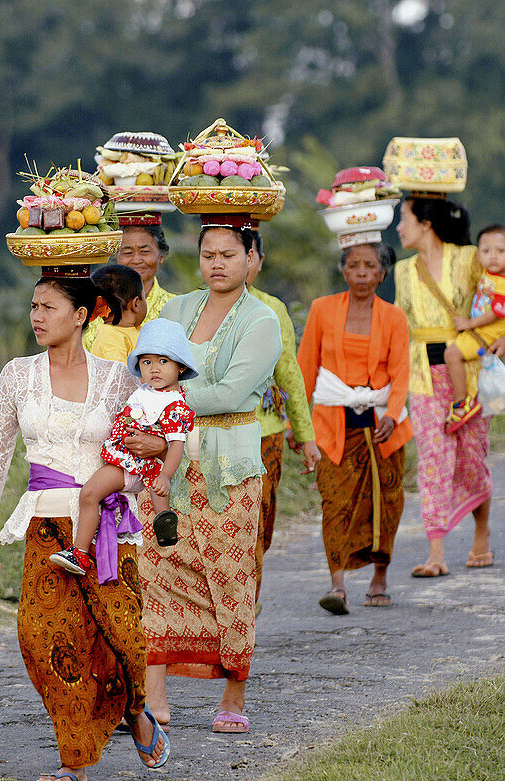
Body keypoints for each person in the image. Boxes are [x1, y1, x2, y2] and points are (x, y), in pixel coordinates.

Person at [0, 270, 169, 781]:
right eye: (33, 305)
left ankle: (135, 712)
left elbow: (153, 447)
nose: (36, 316)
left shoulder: (120, 379)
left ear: (81, 315)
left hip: (107, 526)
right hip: (45, 528)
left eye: (48, 307)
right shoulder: (17, 375)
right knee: (43, 638)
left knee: (121, 636)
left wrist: (145, 466)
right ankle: (74, 760)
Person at [138, 217, 281, 735]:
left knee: (229, 576)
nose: (217, 263)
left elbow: (228, 394)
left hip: (228, 467)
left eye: (228, 254)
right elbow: (147, 368)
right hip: (167, 463)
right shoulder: (176, 309)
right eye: (208, 254)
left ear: (250, 259)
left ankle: (234, 692)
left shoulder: (262, 320)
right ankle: (155, 696)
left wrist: (163, 404)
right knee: (157, 568)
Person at [394, 196, 505, 576]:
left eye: (405, 219)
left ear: (426, 224)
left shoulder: (468, 258)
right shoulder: (402, 270)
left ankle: (482, 531)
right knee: (432, 460)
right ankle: (436, 553)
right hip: (423, 375)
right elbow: (400, 323)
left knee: (472, 457)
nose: (399, 228)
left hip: (469, 368)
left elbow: (503, 296)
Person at [298, 241, 412, 613]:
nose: (362, 272)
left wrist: (394, 413)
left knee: (386, 503)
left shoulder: (394, 317)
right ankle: (337, 584)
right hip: (333, 423)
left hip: (383, 425)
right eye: (354, 265)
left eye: (370, 266)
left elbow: (400, 373)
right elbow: (306, 367)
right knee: (335, 502)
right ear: (343, 271)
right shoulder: (322, 309)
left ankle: (380, 577)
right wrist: (298, 426)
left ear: (382, 273)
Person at [50, 319, 197, 577]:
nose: (154, 369)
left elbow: (176, 446)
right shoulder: (144, 391)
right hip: (126, 459)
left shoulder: (175, 406)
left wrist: (166, 475)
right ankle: (84, 553)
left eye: (163, 361)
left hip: (141, 466)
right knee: (91, 494)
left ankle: (82, 550)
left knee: (90, 493)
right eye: (147, 361)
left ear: (181, 366)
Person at [246, 231, 321, 603]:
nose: (226, 264)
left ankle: (249, 597)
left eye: (244, 255)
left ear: (258, 261)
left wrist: (305, 435)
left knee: (261, 521)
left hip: (266, 431)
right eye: (213, 254)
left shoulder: (272, 309)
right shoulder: (193, 308)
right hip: (207, 434)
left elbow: (288, 372)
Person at [443, 224, 505, 433]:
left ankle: (461, 403)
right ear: (478, 254)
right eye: (486, 251)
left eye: (500, 251)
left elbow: (495, 313)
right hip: (480, 331)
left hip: (486, 334)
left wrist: (468, 324)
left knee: (452, 355)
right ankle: (471, 395)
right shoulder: (492, 274)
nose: (493, 256)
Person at [83, 222, 175, 350]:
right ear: (116, 256)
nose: (136, 260)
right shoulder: (93, 305)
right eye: (128, 252)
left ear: (161, 255)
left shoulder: (176, 307)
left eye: (144, 251)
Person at [88, 264, 147, 363]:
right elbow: (118, 373)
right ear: (136, 303)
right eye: (144, 296)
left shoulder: (138, 331)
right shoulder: (110, 335)